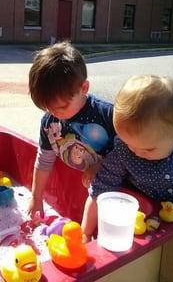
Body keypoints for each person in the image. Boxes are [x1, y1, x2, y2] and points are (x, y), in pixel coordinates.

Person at [81, 74, 173, 282]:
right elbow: (100, 190)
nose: (136, 153)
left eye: (147, 149)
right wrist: (84, 232)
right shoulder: (124, 151)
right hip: (153, 230)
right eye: (130, 144)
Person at [28, 41, 115, 219]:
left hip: (110, 194)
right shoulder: (50, 123)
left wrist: (101, 166)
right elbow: (44, 161)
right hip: (76, 190)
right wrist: (36, 198)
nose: (55, 114)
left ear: (84, 88)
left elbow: (131, 150)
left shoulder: (107, 115)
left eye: (61, 107)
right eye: (48, 107)